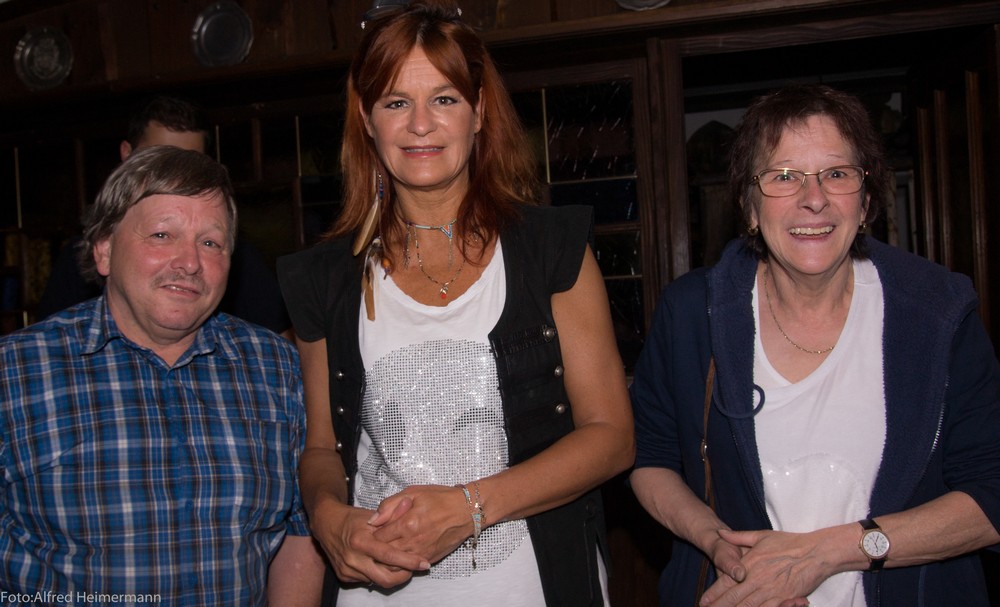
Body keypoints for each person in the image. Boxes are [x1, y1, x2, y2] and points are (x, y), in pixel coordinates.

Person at [276, 2, 635, 605]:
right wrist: (329, 518)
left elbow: (612, 437)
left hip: (535, 588)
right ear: (366, 119)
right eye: (396, 102)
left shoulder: (551, 248)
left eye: (444, 99)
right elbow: (320, 450)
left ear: (479, 111)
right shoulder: (324, 278)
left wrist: (470, 507)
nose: (421, 124)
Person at [629, 83, 1000, 607]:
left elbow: (990, 494)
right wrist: (717, 543)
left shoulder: (938, 312)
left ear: (866, 202)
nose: (814, 198)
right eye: (783, 176)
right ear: (749, 207)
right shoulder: (692, 313)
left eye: (837, 173)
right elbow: (652, 459)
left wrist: (828, 553)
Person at [0, 146, 324, 605]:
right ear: (104, 250)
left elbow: (299, 532)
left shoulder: (276, 368)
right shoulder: (15, 372)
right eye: (161, 235)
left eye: (210, 243)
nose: (189, 262)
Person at [37, 95, 292, 337]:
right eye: (160, 236)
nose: (190, 263)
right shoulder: (75, 266)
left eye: (189, 160)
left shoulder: (236, 261)